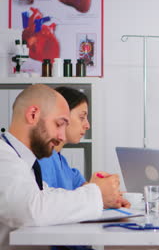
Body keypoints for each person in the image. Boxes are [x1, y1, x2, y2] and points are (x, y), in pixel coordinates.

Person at [0, 84, 122, 250]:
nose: (62, 136)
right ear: (33, 115)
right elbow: (31, 208)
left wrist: (100, 196)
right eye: (59, 124)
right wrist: (96, 193)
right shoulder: (3, 157)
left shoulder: (23, 161)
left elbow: (46, 194)